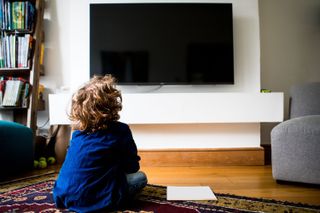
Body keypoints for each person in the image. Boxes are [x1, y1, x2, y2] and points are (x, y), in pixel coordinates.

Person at [53, 75, 147, 212]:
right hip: (98, 199)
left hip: (64, 195)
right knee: (141, 177)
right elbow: (132, 167)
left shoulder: (77, 134)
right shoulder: (121, 130)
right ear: (112, 105)